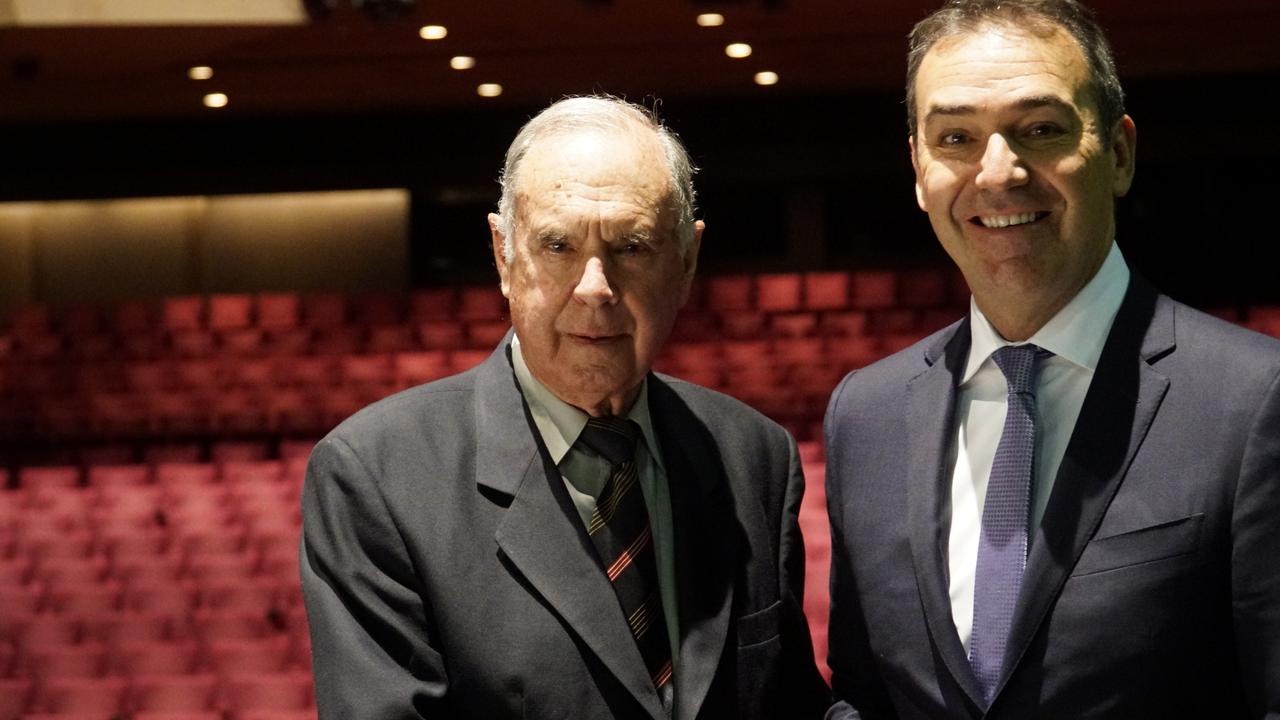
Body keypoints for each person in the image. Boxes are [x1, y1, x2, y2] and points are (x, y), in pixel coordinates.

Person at [300, 96, 829, 720]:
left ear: (686, 262)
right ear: (503, 255)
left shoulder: (753, 455)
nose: (596, 287)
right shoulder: (376, 476)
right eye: (558, 246)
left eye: (631, 246)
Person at [824, 0, 1280, 717]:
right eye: (955, 137)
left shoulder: (1255, 399)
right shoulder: (866, 414)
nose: (998, 173)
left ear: (1120, 153)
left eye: (1039, 130)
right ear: (918, 168)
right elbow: (862, 695)